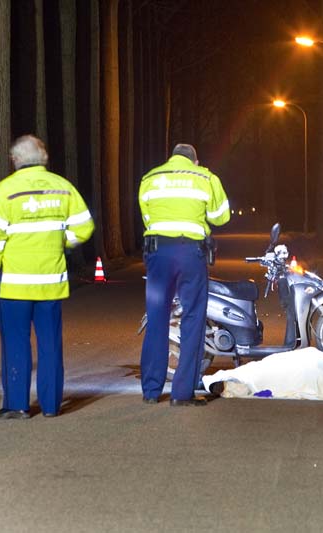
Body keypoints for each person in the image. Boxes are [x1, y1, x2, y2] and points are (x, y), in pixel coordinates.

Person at [0, 135, 94, 419]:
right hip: (50, 280)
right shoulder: (63, 188)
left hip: (13, 283)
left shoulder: (5, 190)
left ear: (15, 160)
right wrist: (61, 242)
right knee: (50, 344)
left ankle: (18, 405)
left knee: (15, 343)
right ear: (43, 158)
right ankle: (51, 406)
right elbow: (84, 226)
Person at [139, 143, 230, 406]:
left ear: (172, 158)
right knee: (193, 318)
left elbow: (147, 218)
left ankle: (151, 390)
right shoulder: (205, 178)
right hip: (191, 254)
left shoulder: (150, 178)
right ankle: (182, 393)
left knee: (157, 318)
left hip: (158, 253)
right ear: (195, 160)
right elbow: (220, 217)